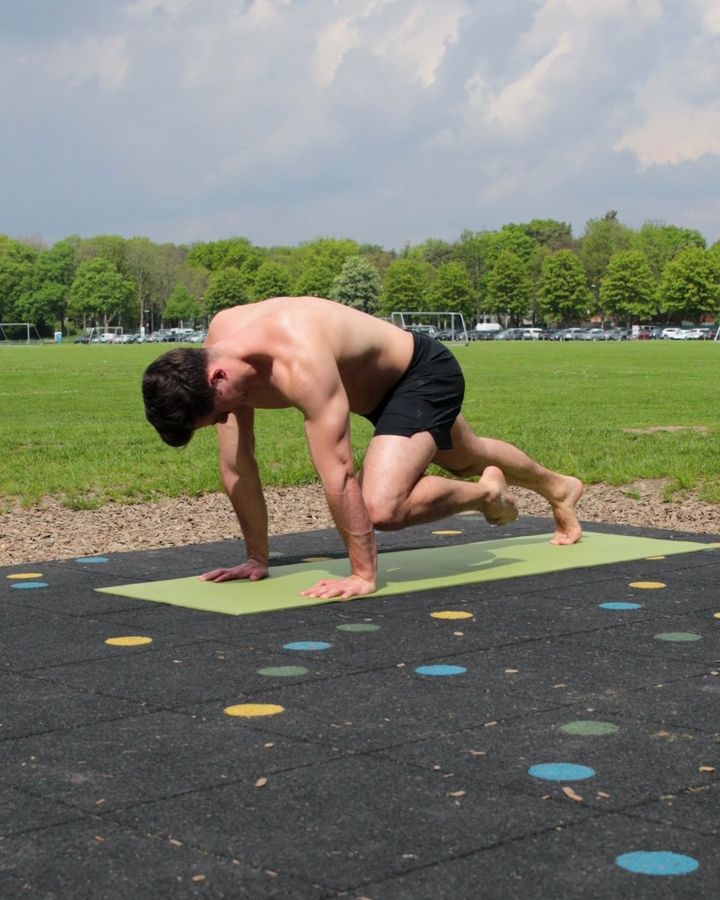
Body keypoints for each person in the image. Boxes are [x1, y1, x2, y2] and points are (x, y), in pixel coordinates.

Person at [142, 296, 583, 600]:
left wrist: (362, 573)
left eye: (216, 414)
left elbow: (338, 473)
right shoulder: (220, 342)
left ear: (216, 377)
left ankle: (488, 494)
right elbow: (238, 468)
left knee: (380, 506)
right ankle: (558, 488)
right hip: (371, 394)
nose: (223, 421)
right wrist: (256, 559)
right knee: (467, 456)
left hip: (420, 374)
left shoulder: (297, 360)